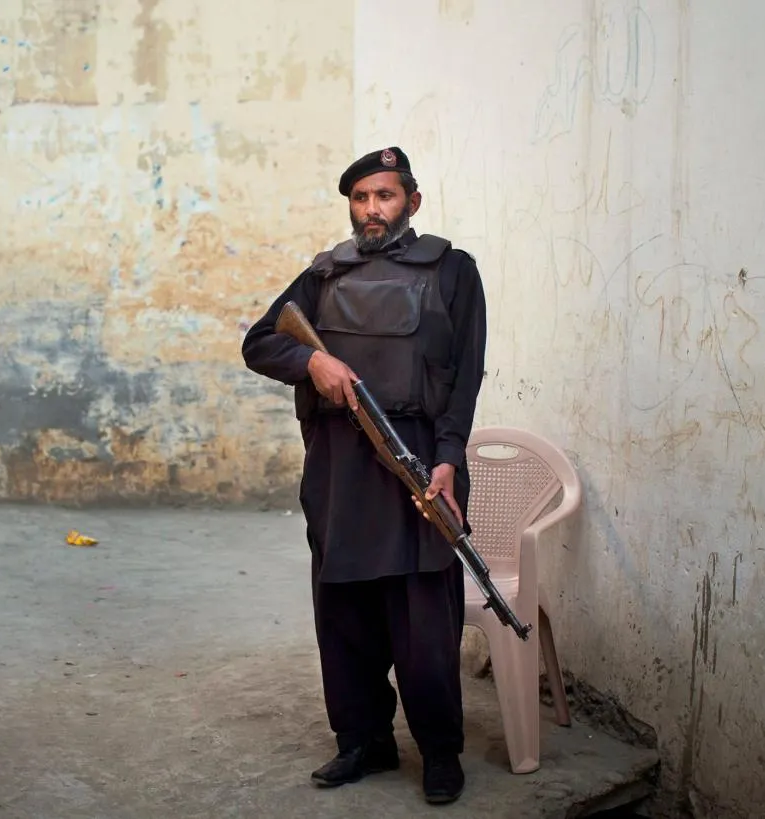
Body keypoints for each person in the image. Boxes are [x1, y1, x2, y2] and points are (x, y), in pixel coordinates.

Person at [241, 146, 486, 805]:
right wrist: (311, 364)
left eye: (385, 195)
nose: (372, 208)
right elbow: (260, 341)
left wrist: (449, 458)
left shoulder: (454, 270)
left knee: (425, 621)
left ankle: (439, 750)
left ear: (412, 199)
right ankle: (364, 739)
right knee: (344, 610)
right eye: (360, 198)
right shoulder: (323, 275)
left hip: (415, 457)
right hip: (341, 462)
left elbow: (465, 376)